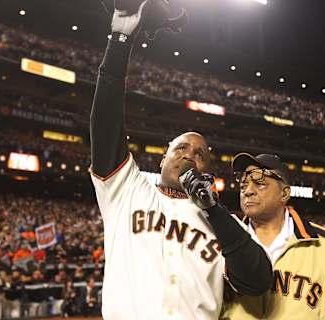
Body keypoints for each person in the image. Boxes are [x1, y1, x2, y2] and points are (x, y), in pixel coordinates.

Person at [89, 1, 272, 319]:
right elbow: (106, 121)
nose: (190, 154)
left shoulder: (223, 223)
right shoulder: (128, 188)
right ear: (162, 160)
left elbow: (258, 280)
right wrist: (120, 38)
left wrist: (213, 209)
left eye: (200, 155)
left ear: (208, 171)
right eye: (181, 148)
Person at [220, 152, 325, 319]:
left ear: (284, 194)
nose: (248, 191)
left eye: (260, 184)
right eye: (243, 186)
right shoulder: (219, 241)